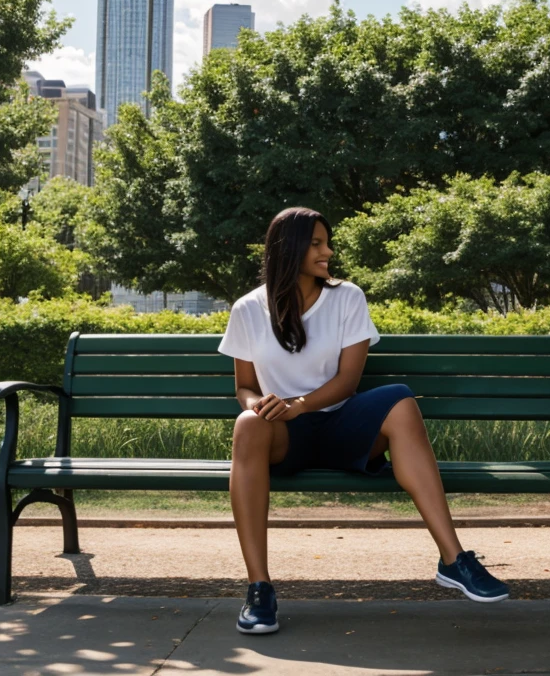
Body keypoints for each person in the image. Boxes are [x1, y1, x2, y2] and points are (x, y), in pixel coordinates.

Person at [218, 206, 509, 635]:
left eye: (326, 242)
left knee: (400, 400)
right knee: (246, 424)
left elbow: (347, 381)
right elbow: (243, 386)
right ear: (289, 247)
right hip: (284, 437)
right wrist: (260, 404)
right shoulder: (247, 309)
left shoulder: (347, 297)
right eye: (316, 243)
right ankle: (259, 590)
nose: (328, 251)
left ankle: (454, 560)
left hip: (342, 428)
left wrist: (300, 403)